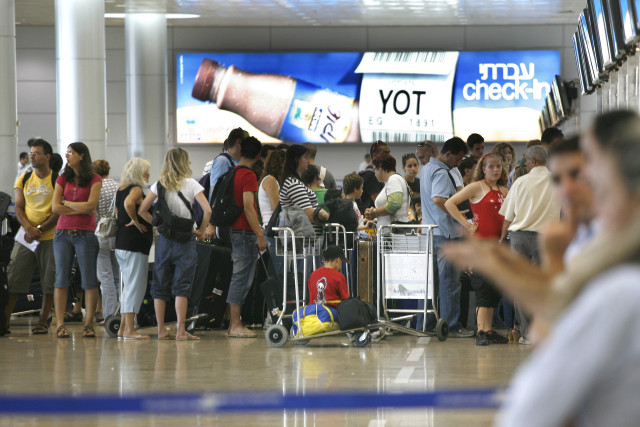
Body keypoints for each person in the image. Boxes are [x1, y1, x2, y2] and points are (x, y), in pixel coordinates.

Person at [138, 148, 211, 341]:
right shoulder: (192, 184)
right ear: (184, 163)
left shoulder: (159, 185)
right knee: (182, 286)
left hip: (164, 240)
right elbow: (208, 210)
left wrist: (158, 224)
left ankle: (161, 330)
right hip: (186, 240)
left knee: (160, 286)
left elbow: (143, 211)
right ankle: (180, 331)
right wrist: (202, 231)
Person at [445, 153, 509, 345]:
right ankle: (480, 331)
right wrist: (467, 224)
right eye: (491, 167)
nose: (496, 170)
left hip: (499, 246)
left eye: (498, 166)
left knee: (495, 289)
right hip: (480, 245)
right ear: (483, 168)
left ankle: (488, 330)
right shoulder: (476, 187)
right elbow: (450, 203)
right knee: (483, 288)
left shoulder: (504, 190)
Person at [499, 145, 560, 344]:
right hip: (547, 239)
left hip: (520, 239)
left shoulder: (520, 183)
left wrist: (501, 239)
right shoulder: (558, 181)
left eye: (526, 161)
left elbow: (508, 217)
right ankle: (545, 331)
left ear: (532, 162)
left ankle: (527, 334)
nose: (525, 164)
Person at [4, 138, 59, 335]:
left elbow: (58, 210)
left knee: (49, 281)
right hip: (26, 235)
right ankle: (5, 320)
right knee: (14, 277)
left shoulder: (57, 179)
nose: (32, 156)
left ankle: (43, 320)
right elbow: (18, 207)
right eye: (31, 153)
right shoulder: (24, 178)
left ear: (47, 156)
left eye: (37, 153)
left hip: (50, 236)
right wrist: (28, 228)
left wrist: (40, 229)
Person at [420, 136, 473, 338]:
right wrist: (459, 217)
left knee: (431, 282)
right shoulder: (442, 172)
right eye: (458, 160)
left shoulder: (426, 169)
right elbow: (439, 199)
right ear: (448, 154)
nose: (458, 164)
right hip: (446, 233)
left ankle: (426, 323)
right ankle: (452, 325)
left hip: (431, 232)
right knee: (449, 282)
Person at [52, 142, 102, 339]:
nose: (67, 155)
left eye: (71, 152)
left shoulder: (95, 179)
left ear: (82, 155)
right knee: (61, 278)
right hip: (62, 234)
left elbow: (91, 207)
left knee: (89, 280)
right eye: (67, 152)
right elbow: (55, 208)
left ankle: (88, 324)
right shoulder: (63, 178)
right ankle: (60, 324)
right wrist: (76, 206)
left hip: (86, 234)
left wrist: (67, 203)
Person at [223, 136, 268, 338]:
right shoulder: (248, 175)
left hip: (235, 230)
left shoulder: (233, 172)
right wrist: (260, 234)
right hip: (244, 232)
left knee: (239, 277)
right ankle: (235, 324)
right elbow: (249, 208)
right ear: (259, 156)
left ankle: (233, 322)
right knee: (241, 278)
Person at [114, 158, 153, 340]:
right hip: (134, 244)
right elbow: (128, 204)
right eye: (146, 171)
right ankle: (130, 329)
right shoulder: (136, 189)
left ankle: (123, 328)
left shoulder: (120, 189)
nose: (148, 175)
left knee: (128, 286)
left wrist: (128, 220)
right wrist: (136, 223)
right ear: (139, 173)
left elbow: (116, 212)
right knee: (135, 286)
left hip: (122, 243)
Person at [204, 127, 248, 241]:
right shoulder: (223, 161)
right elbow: (216, 194)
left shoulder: (237, 162)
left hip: (233, 220)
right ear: (239, 142)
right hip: (223, 222)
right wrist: (212, 224)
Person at [92, 160, 120, 324]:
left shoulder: (95, 187)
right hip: (116, 234)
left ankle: (110, 316)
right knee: (118, 277)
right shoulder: (117, 186)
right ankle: (122, 314)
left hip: (100, 233)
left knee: (105, 278)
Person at [363, 153, 411, 231]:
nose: (374, 174)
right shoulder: (391, 181)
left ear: (381, 167)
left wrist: (374, 212)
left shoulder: (393, 180)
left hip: (394, 234)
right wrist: (374, 211)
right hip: (391, 233)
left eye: (375, 169)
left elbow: (394, 204)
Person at [258, 149, 286, 275]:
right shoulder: (270, 180)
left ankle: (275, 294)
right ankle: (277, 295)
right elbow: (277, 207)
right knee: (279, 273)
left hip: (273, 230)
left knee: (275, 272)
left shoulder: (271, 180)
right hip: (272, 231)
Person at [357, 140, 390, 214]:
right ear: (375, 155)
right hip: (370, 220)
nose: (389, 156)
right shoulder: (372, 175)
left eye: (389, 153)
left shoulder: (369, 172)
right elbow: (379, 204)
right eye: (385, 153)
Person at [342, 173, 375, 238]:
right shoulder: (349, 206)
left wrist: (365, 220)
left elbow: (356, 223)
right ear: (355, 189)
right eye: (361, 188)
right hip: (357, 239)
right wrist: (365, 227)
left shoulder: (353, 204)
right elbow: (350, 228)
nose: (362, 191)